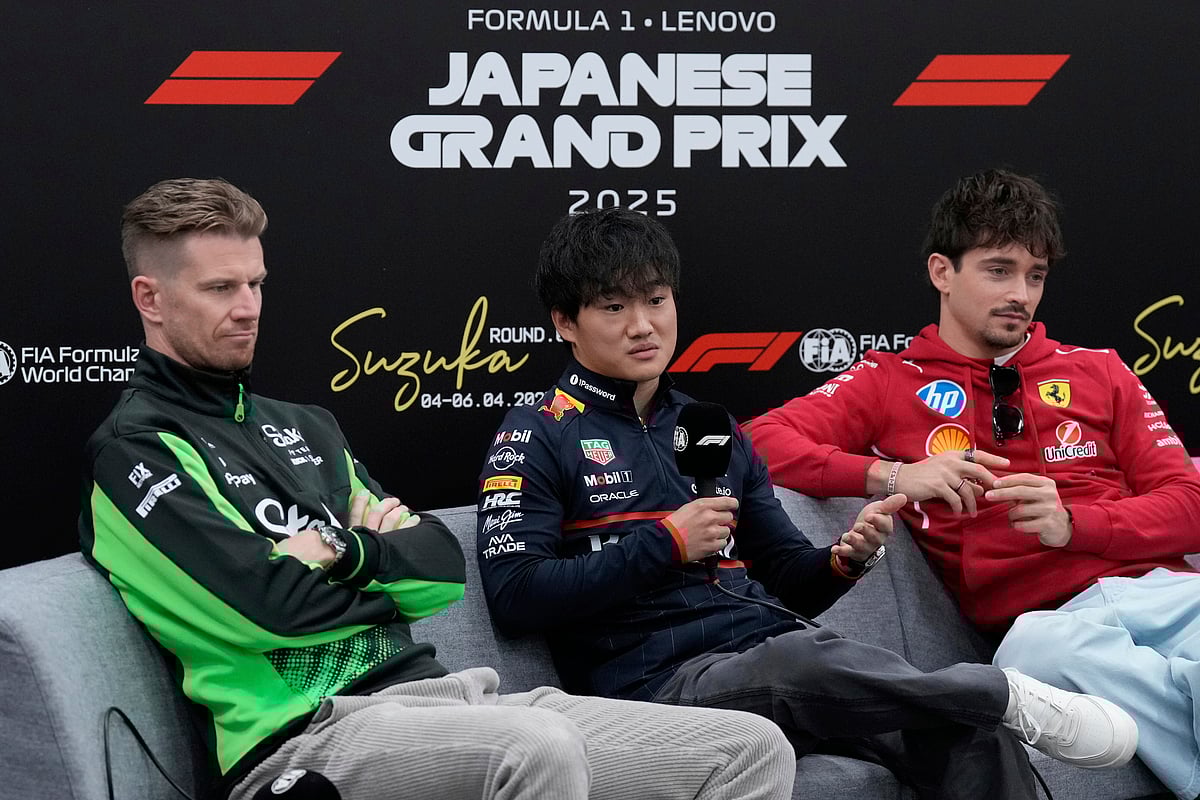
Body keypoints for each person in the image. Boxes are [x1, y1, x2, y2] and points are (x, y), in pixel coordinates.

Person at [78, 178, 799, 800]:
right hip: (305, 734)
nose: (248, 306)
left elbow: (440, 569)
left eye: (255, 283)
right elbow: (266, 609)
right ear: (151, 297)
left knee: (751, 747)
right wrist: (370, 548)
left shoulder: (308, 425)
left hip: (442, 696)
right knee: (537, 745)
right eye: (219, 288)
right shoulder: (135, 448)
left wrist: (336, 551)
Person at [477, 206, 1140, 800]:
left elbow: (786, 575)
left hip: (768, 657)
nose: (644, 325)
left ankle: (981, 708)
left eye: (656, 299)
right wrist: (665, 544)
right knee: (806, 659)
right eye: (613, 308)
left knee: (963, 735)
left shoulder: (710, 427)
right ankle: (1000, 693)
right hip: (654, 689)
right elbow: (516, 596)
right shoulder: (537, 431)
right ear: (566, 322)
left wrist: (842, 563)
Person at [747, 168, 1200, 798]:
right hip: (1049, 625)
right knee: (1025, 662)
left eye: (1035, 276)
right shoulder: (890, 380)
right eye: (998, 270)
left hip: (1166, 594)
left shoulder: (1100, 370)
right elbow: (760, 438)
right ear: (942, 272)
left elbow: (1191, 504)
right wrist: (894, 473)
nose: (1022, 293)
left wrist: (1075, 523)